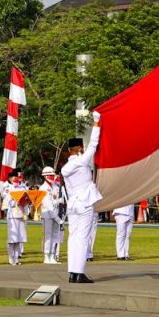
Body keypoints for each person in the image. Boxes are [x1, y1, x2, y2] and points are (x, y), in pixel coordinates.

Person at [62, 113, 101, 283]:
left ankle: (72, 272)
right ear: (79, 149)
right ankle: (79, 272)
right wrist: (97, 123)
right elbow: (94, 143)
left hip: (73, 205)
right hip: (85, 203)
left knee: (73, 237)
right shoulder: (81, 161)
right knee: (84, 237)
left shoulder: (66, 167)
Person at [38, 167, 65, 264]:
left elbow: (56, 201)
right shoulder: (43, 188)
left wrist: (60, 201)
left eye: (53, 175)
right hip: (48, 215)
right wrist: (57, 218)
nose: (52, 177)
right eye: (50, 175)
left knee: (55, 235)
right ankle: (46, 256)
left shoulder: (56, 187)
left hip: (56, 213)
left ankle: (52, 255)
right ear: (45, 176)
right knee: (47, 235)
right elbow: (48, 204)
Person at [3, 173, 27, 265]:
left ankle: (16, 258)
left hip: (21, 214)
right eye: (14, 178)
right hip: (12, 214)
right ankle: (11, 258)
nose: (16, 179)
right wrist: (17, 200)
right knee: (12, 238)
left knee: (19, 238)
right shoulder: (8, 189)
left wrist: (25, 201)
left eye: (17, 177)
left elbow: (26, 201)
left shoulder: (22, 188)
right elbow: (9, 201)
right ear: (10, 179)